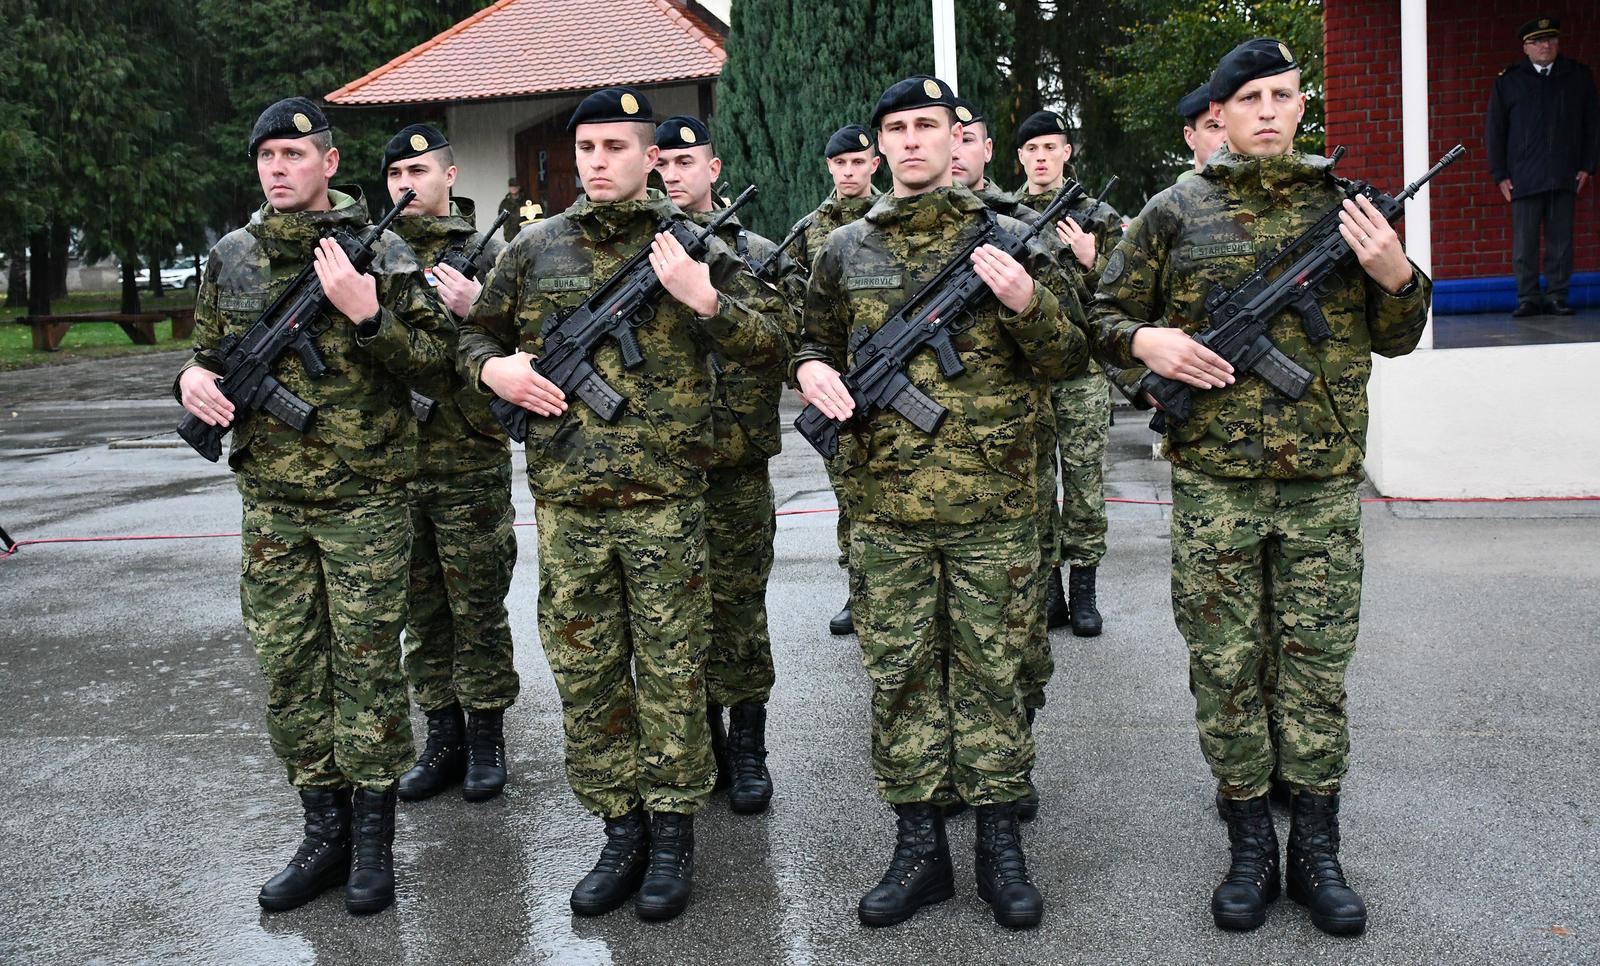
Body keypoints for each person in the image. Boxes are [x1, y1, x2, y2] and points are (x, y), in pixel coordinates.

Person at [1091, 39, 1433, 937]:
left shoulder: (1351, 210)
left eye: (1284, 96)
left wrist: (1395, 273)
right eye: (1250, 101)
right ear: (1221, 117)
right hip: (1215, 486)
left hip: (1321, 486)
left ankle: (1316, 850)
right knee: (1227, 669)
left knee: (1317, 673)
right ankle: (1249, 846)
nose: (1271, 113)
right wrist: (1146, 344)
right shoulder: (1173, 212)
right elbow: (1102, 312)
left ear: (1301, 104)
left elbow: (1399, 334)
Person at [458, 87, 784, 922]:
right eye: (587, 149)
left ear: (651, 159)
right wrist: (494, 371)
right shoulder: (534, 250)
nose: (597, 162)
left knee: (674, 673)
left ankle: (673, 835)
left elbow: (776, 341)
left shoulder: (696, 244)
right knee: (588, 673)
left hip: (669, 503)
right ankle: (620, 829)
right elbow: (474, 335)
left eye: (616, 148)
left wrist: (703, 299)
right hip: (569, 506)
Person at [795, 75, 1087, 930]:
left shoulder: (1007, 239)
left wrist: (1026, 302)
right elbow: (811, 339)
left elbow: (1072, 354)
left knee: (994, 676)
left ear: (957, 137)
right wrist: (809, 368)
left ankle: (1001, 848)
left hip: (995, 509)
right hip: (885, 511)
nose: (913, 141)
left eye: (929, 125)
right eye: (898, 128)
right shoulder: (844, 249)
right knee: (900, 677)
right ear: (880, 145)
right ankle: (918, 850)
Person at [174, 97, 452, 915]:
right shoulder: (232, 256)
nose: (277, 169)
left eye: (294, 155)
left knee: (366, 671)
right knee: (291, 673)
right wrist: (188, 380)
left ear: (329, 162)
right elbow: (205, 353)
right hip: (273, 506)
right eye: (266, 158)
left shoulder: (386, 248)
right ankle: (322, 836)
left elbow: (438, 363)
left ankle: (372, 848)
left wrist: (369, 316)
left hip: (364, 501)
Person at [653, 114, 802, 815]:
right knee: (672, 621)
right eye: (668, 162)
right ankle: (700, 743)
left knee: (738, 611)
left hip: (736, 462)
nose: (676, 173)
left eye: (690, 161)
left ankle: (747, 748)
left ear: (714, 169)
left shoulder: (760, 255)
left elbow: (786, 345)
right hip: (660, 469)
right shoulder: (636, 256)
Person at [378, 124, 520, 805]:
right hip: (395, 461)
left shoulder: (492, 254)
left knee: (477, 605)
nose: (407, 184)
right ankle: (441, 736)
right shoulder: (372, 255)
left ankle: (486, 735)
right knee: (421, 611)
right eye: (396, 173)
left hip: (469, 460)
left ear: (450, 176)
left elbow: (532, 344)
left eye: (420, 170)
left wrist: (478, 307)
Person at [1015, 109, 1121, 638]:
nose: (1041, 157)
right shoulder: (1005, 215)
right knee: (1035, 485)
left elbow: (1126, 296)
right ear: (1019, 158)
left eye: (1050, 147)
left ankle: (1084, 591)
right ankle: (1048, 592)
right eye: (1032, 149)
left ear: (1066, 153)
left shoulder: (1098, 215)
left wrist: (1090, 258)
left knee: (1083, 481)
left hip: (1081, 373)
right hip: (1028, 375)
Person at [789, 123, 882, 637]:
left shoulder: (891, 220)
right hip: (837, 379)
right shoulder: (809, 231)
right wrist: (803, 369)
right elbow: (793, 309)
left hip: (894, 373)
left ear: (875, 164)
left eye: (857, 163)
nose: (848, 172)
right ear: (829, 167)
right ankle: (857, 587)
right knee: (846, 487)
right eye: (839, 164)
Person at [1486, 16, 1598, 317]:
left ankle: (1558, 296)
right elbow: (1495, 131)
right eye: (1537, 41)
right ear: (1526, 47)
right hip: (1523, 177)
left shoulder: (1576, 76)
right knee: (1525, 244)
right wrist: (1500, 174)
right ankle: (1528, 298)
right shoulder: (1509, 81)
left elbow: (1592, 125)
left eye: (1550, 39)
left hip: (1565, 173)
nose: (1545, 45)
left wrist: (1588, 165)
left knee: (1561, 242)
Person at [1179, 83, 1230, 177]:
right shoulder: (1179, 192)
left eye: (1233, 125)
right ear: (1190, 138)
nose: (1228, 137)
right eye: (1215, 126)